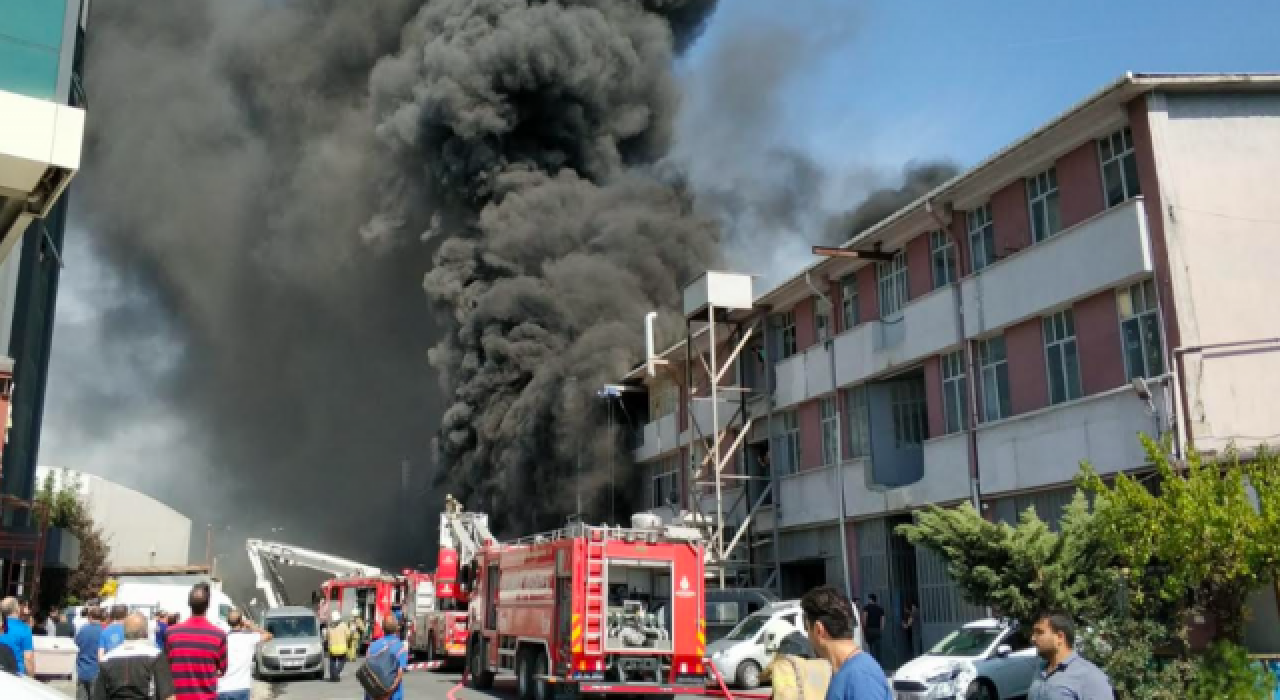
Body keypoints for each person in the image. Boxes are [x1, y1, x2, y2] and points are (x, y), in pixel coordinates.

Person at [801, 586, 890, 700]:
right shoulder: (849, 672)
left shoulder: (860, 676)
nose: (807, 635)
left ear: (819, 630)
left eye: (806, 627)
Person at [1028, 612, 1114, 700]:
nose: (1033, 639)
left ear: (1060, 637)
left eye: (1039, 632)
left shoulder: (1091, 677)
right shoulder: (1040, 670)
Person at [164, 583, 228, 700]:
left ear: (189, 603)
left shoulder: (171, 633)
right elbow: (222, 669)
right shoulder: (219, 635)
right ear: (208, 605)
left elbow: (166, 666)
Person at [93, 612, 176, 700]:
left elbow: (99, 695)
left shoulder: (107, 659)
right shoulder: (155, 655)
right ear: (145, 632)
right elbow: (168, 695)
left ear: (124, 631)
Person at [217, 609, 271, 700]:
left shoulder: (221, 640)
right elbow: (269, 635)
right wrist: (252, 626)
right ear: (241, 621)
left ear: (227, 622)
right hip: (242, 687)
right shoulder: (250, 637)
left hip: (222, 688)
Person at [363, 615, 408, 700]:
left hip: (372, 693)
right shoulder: (400, 647)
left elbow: (367, 668)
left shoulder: (372, 645)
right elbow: (399, 673)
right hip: (392, 695)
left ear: (382, 628)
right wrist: (388, 693)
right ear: (396, 628)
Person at [74, 607, 105, 700]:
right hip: (97, 671)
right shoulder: (103, 631)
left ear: (90, 617)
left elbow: (76, 645)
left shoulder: (83, 629)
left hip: (82, 669)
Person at [1, 596, 35, 676]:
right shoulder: (24, 629)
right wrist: (32, 677)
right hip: (16, 675)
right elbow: (28, 658)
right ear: (17, 609)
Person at [324, 610, 351, 682]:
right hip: (342, 647)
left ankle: (333, 676)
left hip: (332, 647)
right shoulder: (344, 625)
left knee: (332, 662)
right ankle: (336, 673)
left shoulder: (329, 626)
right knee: (342, 661)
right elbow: (348, 635)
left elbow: (327, 637)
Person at [860, 594, 885, 662]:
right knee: (878, 649)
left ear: (870, 599)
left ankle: (871, 663)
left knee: (870, 648)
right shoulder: (880, 609)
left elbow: (864, 619)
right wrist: (880, 630)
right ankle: (879, 663)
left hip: (869, 630)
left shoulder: (866, 608)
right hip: (877, 630)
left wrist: (864, 629)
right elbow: (882, 621)